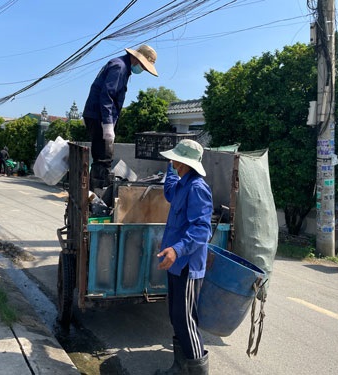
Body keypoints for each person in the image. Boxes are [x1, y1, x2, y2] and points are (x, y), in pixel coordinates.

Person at [155, 139, 213, 375]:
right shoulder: (181, 184)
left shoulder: (198, 188)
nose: (173, 161)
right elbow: (169, 192)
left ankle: (197, 371)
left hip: (187, 264)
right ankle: (180, 368)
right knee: (176, 316)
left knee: (186, 320)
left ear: (186, 162)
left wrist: (177, 249)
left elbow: (202, 229)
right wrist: (169, 169)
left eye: (176, 159)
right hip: (175, 264)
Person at [82, 44, 158, 190]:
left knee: (101, 156)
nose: (142, 69)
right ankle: (98, 194)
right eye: (143, 66)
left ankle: (95, 192)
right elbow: (107, 96)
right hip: (99, 116)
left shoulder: (120, 65)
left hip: (97, 115)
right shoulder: (120, 67)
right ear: (138, 60)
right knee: (104, 158)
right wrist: (108, 125)